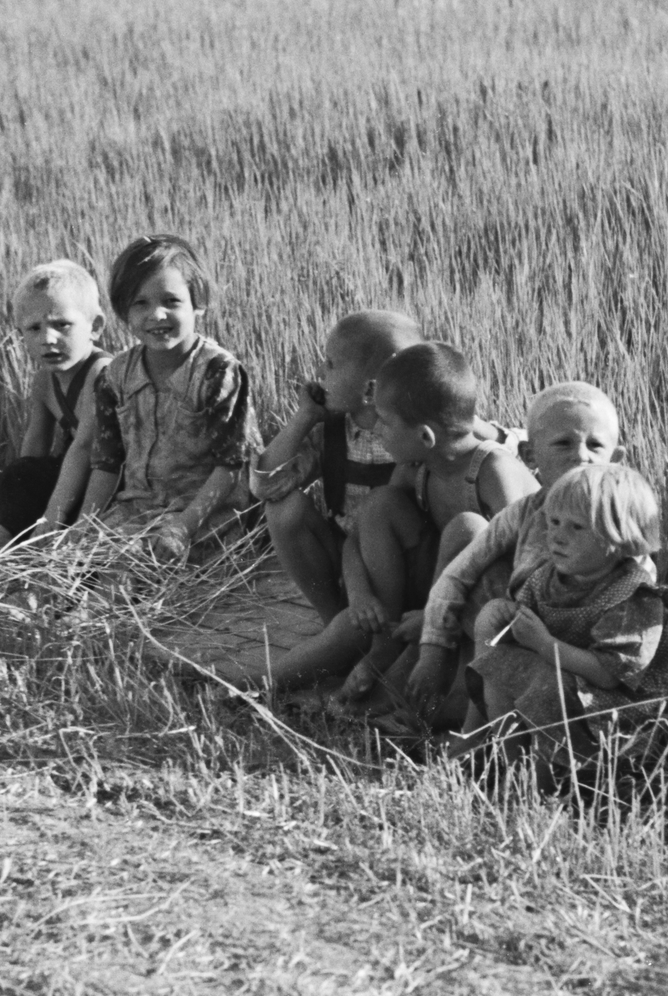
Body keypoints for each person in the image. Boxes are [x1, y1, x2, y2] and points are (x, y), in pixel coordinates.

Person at [236, 342, 537, 693]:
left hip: (489, 613)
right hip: (425, 605)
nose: (377, 431)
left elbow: (523, 566)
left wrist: (435, 618)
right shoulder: (416, 470)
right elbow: (359, 537)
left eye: (386, 422)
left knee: (469, 529)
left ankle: (407, 677)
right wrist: (362, 595)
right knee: (378, 515)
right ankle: (251, 687)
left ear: (425, 436)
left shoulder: (493, 470)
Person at [400, 382, 633, 726]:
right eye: (564, 443)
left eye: (595, 445)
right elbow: (457, 574)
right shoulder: (524, 514)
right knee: (489, 591)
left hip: (585, 661)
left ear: (615, 460)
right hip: (521, 644)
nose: (582, 456)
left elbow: (640, 593)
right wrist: (432, 649)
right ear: (529, 456)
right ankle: (476, 728)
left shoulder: (620, 524)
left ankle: (477, 729)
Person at [454, 463, 668, 783]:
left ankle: (545, 786)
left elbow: (609, 674)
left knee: (548, 687)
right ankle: (513, 767)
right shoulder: (549, 578)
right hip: (561, 680)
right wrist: (504, 620)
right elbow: (522, 626)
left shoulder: (632, 596)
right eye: (554, 521)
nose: (556, 535)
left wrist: (544, 643)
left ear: (617, 535)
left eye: (576, 527)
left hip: (612, 710)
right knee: (499, 668)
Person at [79, 234, 257, 560]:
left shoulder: (217, 372)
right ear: (123, 311)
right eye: (140, 303)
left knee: (124, 570)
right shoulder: (114, 377)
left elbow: (230, 468)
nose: (157, 315)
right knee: (76, 564)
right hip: (136, 512)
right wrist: (82, 528)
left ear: (197, 303)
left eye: (171, 301)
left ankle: (93, 612)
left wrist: (182, 527)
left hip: (202, 516)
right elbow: (106, 465)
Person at [250, 310, 422, 621]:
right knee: (282, 510)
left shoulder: (415, 434)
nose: (320, 372)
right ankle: (334, 619)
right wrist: (304, 419)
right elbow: (265, 486)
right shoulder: (331, 433)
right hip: (347, 560)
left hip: (406, 562)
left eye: (331, 364)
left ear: (371, 387)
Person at [0, 260, 111, 554]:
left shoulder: (102, 371)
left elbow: (85, 447)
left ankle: (9, 540)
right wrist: (22, 501)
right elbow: (35, 445)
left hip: (105, 479)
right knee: (23, 470)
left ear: (95, 326)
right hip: (70, 474)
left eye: (62, 325)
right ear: (21, 336)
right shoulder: (45, 380)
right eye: (34, 328)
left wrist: (53, 513)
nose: (47, 338)